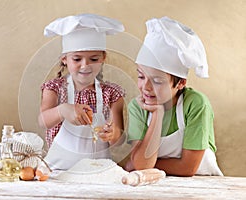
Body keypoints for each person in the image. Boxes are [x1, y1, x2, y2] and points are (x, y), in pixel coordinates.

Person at [125, 16, 223, 176]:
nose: (146, 88)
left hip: (202, 186)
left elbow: (188, 168)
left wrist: (143, 164)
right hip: (157, 186)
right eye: (141, 77)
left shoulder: (196, 104)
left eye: (157, 81)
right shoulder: (137, 106)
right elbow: (142, 165)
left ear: (180, 83)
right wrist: (157, 114)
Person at [38, 13, 126, 170]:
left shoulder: (111, 94)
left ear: (103, 57)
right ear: (64, 59)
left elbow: (119, 139)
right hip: (57, 173)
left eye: (93, 59)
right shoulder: (55, 89)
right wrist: (63, 110)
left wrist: (113, 134)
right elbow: (43, 121)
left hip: (98, 174)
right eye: (77, 59)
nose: (85, 66)